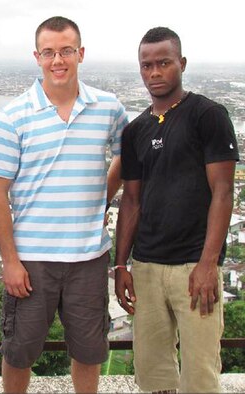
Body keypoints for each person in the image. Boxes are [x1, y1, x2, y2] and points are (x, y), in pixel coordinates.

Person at [0, 16, 128, 393]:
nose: (57, 60)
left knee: (90, 350)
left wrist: (101, 196)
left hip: (89, 258)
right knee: (19, 351)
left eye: (66, 51)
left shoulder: (108, 109)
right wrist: (10, 261)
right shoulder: (14, 116)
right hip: (31, 261)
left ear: (81, 53)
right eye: (49, 52)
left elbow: (125, 157)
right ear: (37, 56)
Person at [114, 27, 239, 393]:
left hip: (193, 267)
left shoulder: (208, 116)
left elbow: (223, 192)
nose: (155, 73)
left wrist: (207, 264)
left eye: (164, 63)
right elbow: (131, 203)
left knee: (200, 374)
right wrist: (122, 265)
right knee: (153, 374)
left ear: (181, 64)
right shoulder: (135, 130)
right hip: (148, 267)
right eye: (147, 65)